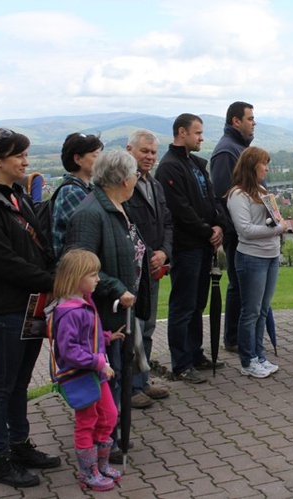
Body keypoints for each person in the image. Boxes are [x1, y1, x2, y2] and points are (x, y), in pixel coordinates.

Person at [0, 128, 60, 488]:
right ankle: (0, 460)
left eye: (25, 154)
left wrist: (53, 273)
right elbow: (4, 263)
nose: (25, 161)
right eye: (18, 155)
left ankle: (20, 445)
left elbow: (40, 245)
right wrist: (51, 281)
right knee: (2, 386)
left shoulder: (16, 197)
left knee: (20, 381)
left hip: (33, 305)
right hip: (6, 308)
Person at [65, 150, 152, 458]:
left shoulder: (116, 206)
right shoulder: (91, 213)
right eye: (134, 176)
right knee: (109, 378)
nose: (136, 181)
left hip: (120, 310)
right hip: (105, 312)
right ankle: (106, 441)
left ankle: (110, 436)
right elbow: (80, 263)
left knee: (118, 375)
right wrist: (116, 289)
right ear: (123, 179)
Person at [155, 113, 227, 384]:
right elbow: (180, 210)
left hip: (203, 245)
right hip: (187, 247)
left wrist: (218, 224)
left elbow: (211, 198)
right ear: (182, 132)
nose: (201, 137)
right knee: (183, 305)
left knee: (198, 304)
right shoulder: (169, 167)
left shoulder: (195, 164)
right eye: (197, 133)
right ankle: (181, 363)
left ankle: (195, 354)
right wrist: (207, 230)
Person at [50, 249, 124, 491]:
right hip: (81, 376)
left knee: (109, 415)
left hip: (94, 373)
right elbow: (69, 350)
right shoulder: (69, 311)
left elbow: (86, 337)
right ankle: (87, 471)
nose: (98, 279)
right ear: (75, 277)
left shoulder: (84, 303)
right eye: (92, 274)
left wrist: (106, 337)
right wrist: (99, 362)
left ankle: (100, 463)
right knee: (87, 421)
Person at [226, 146, 287, 378]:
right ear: (253, 166)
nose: (267, 168)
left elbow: (270, 221)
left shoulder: (261, 190)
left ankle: (260, 355)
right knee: (250, 311)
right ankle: (247, 359)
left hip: (271, 256)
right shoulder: (238, 195)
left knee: (262, 310)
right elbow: (245, 230)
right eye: (264, 164)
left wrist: (276, 223)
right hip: (252, 257)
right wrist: (277, 227)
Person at [125, 129, 173, 406]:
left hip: (154, 267)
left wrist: (164, 252)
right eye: (145, 151)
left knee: (148, 326)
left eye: (153, 152)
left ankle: (143, 379)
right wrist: (148, 256)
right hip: (134, 269)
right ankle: (131, 389)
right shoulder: (124, 184)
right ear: (129, 150)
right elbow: (129, 227)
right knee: (133, 329)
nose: (150, 157)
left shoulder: (154, 185)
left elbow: (166, 222)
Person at [210, 102, 255, 352]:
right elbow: (222, 196)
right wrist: (237, 226)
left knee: (243, 285)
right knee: (239, 284)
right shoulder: (227, 152)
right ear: (236, 121)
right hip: (238, 232)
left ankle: (239, 336)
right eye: (250, 119)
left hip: (248, 230)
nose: (253, 124)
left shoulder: (239, 147)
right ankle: (234, 338)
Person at [51, 133, 103, 259]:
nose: (100, 161)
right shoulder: (72, 193)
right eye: (95, 156)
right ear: (77, 159)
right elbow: (94, 231)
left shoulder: (87, 188)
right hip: (77, 269)